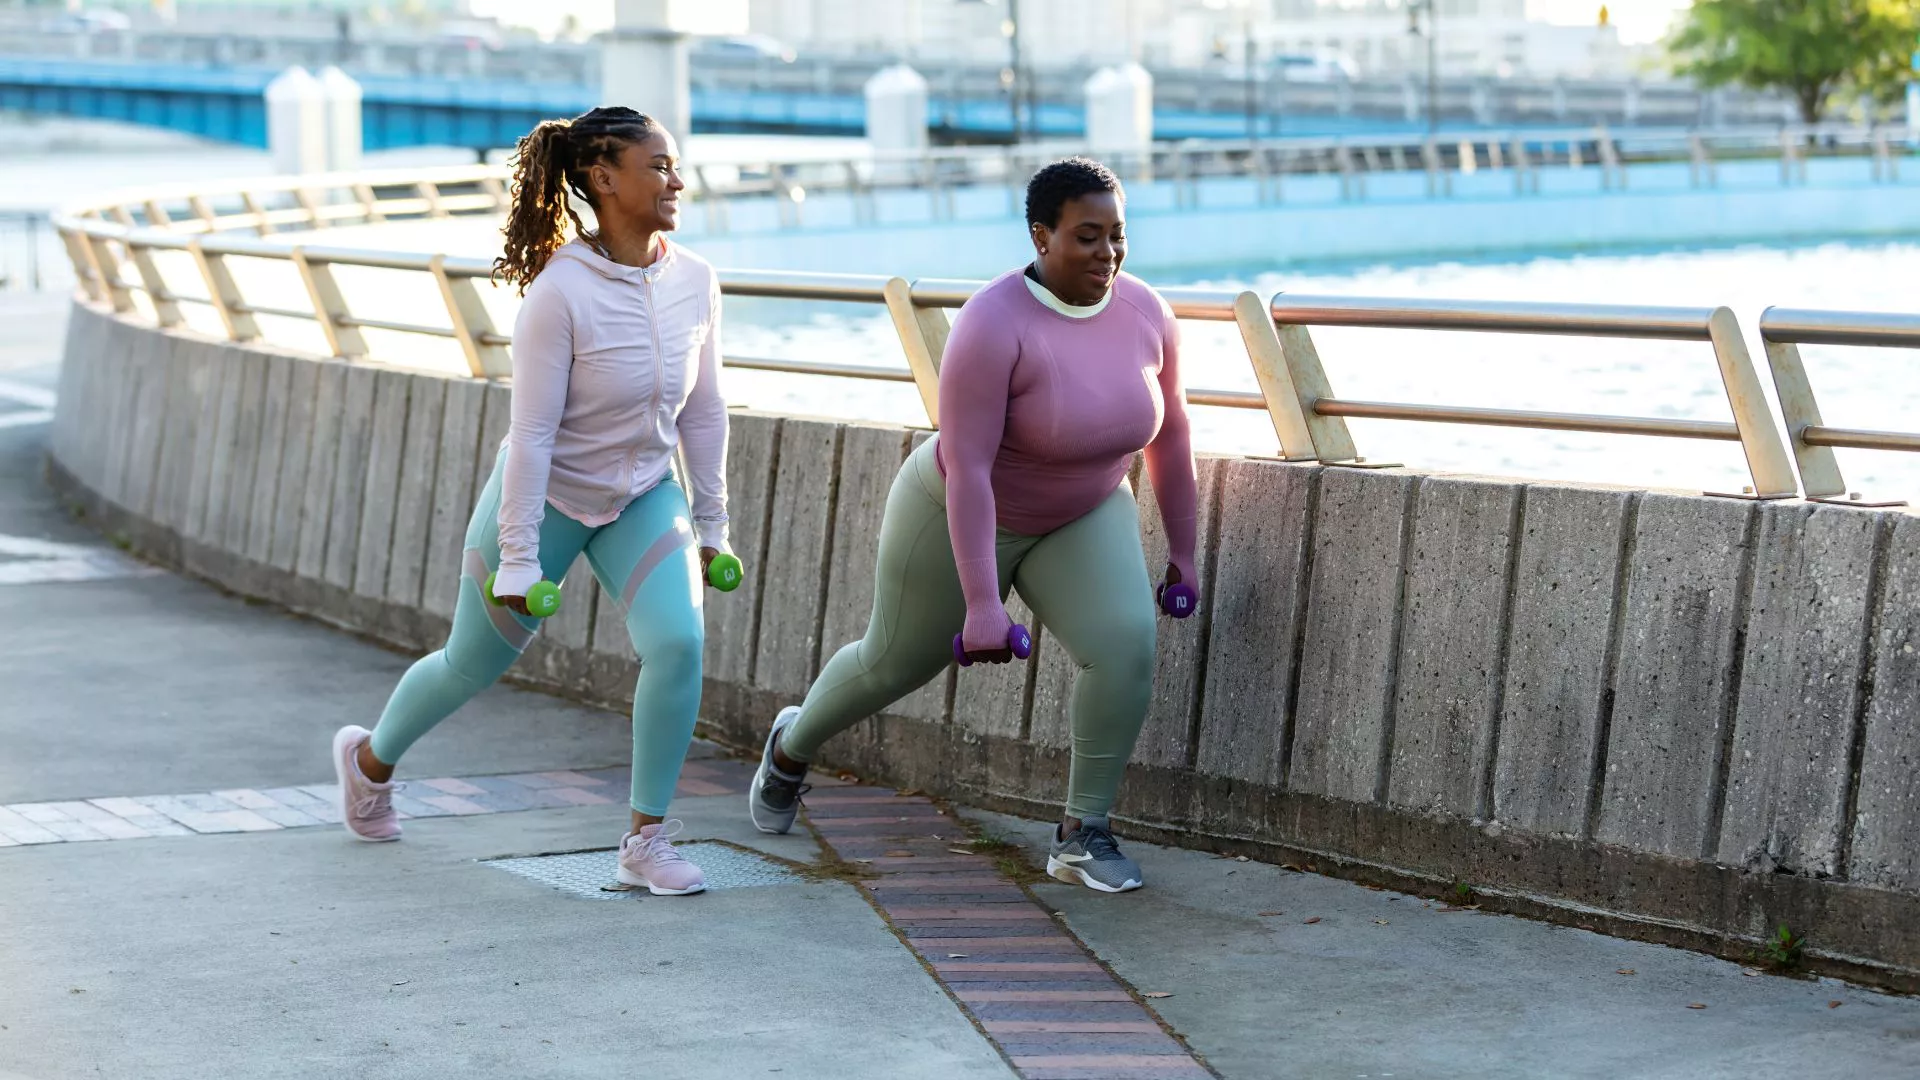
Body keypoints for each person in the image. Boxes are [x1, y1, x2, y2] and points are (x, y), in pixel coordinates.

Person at [747, 157, 1198, 894]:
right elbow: (971, 469)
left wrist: (1184, 551)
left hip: (1083, 510)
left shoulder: (1146, 311)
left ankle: (1083, 833)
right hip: (959, 506)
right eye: (1087, 237)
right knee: (894, 663)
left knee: (1125, 647)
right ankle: (792, 746)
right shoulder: (993, 324)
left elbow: (1170, 432)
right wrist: (984, 602)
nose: (1108, 254)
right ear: (1041, 235)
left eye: (1118, 236)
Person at [331, 107, 732, 896]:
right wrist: (518, 559)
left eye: (676, 164)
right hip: (548, 499)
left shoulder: (695, 280)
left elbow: (704, 409)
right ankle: (369, 761)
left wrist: (713, 523)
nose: (675, 180)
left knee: (679, 644)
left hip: (644, 495)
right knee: (470, 665)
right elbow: (534, 435)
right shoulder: (559, 294)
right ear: (603, 178)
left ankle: (645, 840)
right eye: (658, 166)